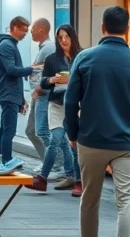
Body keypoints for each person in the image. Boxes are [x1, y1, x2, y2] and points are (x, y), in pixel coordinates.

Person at [65, 6, 130, 237]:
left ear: (103, 27)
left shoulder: (84, 58)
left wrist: (73, 133)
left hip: (91, 139)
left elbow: (70, 101)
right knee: (126, 201)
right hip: (127, 141)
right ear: (127, 29)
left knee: (90, 199)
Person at [30, 24, 83, 196]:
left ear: (72, 37)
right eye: (60, 38)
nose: (63, 41)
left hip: (76, 107)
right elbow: (43, 82)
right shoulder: (53, 59)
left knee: (74, 145)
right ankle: (43, 179)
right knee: (56, 139)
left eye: (67, 37)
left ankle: (77, 181)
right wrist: (52, 80)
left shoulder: (81, 56)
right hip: (57, 104)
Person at [0, 15, 37, 172]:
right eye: (23, 30)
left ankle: (2, 160)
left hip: (10, 93)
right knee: (9, 130)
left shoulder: (9, 45)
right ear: (14, 28)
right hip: (8, 93)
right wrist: (32, 69)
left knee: (5, 129)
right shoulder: (7, 46)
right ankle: (5, 160)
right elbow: (11, 70)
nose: (25, 34)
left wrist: (21, 99)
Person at [27, 18, 57, 170]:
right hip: (38, 94)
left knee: (42, 131)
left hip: (43, 94)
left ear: (41, 30)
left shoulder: (49, 47)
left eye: (33, 28)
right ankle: (48, 163)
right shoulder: (44, 47)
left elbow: (47, 73)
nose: (30, 32)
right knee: (31, 131)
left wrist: (39, 89)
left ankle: (57, 165)